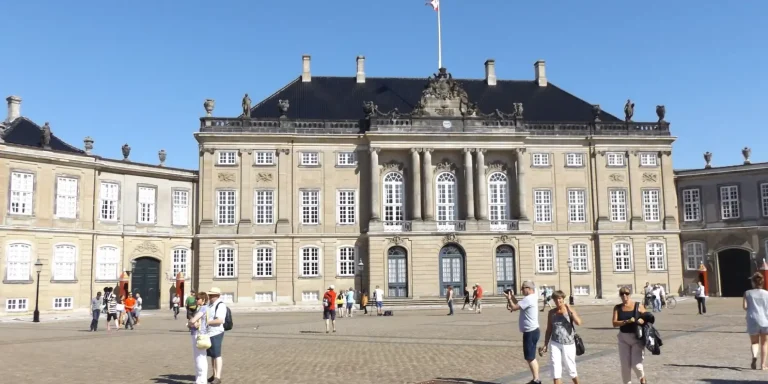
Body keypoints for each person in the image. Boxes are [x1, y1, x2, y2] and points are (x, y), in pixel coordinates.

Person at [540, 290, 582, 384]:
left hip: (568, 343)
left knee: (571, 368)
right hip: (555, 343)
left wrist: (570, 309)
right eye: (555, 299)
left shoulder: (569, 311)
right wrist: (546, 344)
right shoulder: (551, 312)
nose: (557, 301)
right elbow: (549, 329)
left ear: (563, 299)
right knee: (555, 369)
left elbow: (578, 322)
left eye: (559, 299)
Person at [505, 280, 542, 384]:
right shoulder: (532, 297)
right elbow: (518, 304)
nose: (521, 290)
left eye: (523, 288)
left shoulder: (529, 299)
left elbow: (514, 307)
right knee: (531, 356)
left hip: (530, 331)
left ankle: (536, 380)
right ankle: (536, 379)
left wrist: (509, 299)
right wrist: (511, 297)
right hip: (533, 330)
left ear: (529, 289)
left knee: (530, 357)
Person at [612, 286, 647, 384]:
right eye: (622, 294)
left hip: (637, 338)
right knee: (625, 366)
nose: (624, 296)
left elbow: (648, 318)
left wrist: (642, 320)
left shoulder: (638, 305)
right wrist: (626, 321)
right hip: (623, 338)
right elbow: (614, 323)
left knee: (636, 365)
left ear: (629, 294)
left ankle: (642, 378)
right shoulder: (617, 307)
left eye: (626, 293)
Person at [744, 272, 768, 370]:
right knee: (764, 343)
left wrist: (752, 308)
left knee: (754, 343)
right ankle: (763, 365)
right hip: (765, 320)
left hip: (752, 319)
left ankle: (754, 357)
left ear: (753, 283)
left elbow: (745, 307)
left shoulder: (747, 293)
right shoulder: (767, 294)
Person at [187, 292, 209, 384]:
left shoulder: (203, 308)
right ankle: (199, 379)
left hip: (200, 334)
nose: (196, 300)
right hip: (198, 333)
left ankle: (202, 380)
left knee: (200, 357)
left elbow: (193, 319)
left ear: (203, 300)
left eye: (198, 299)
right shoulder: (201, 307)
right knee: (199, 357)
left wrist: (190, 322)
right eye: (196, 299)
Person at [206, 287, 227, 384]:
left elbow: (220, 320)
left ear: (216, 296)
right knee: (212, 355)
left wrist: (207, 322)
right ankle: (214, 374)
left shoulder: (220, 305)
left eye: (211, 295)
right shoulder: (210, 305)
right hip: (210, 332)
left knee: (217, 354)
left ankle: (218, 377)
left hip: (217, 332)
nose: (209, 297)